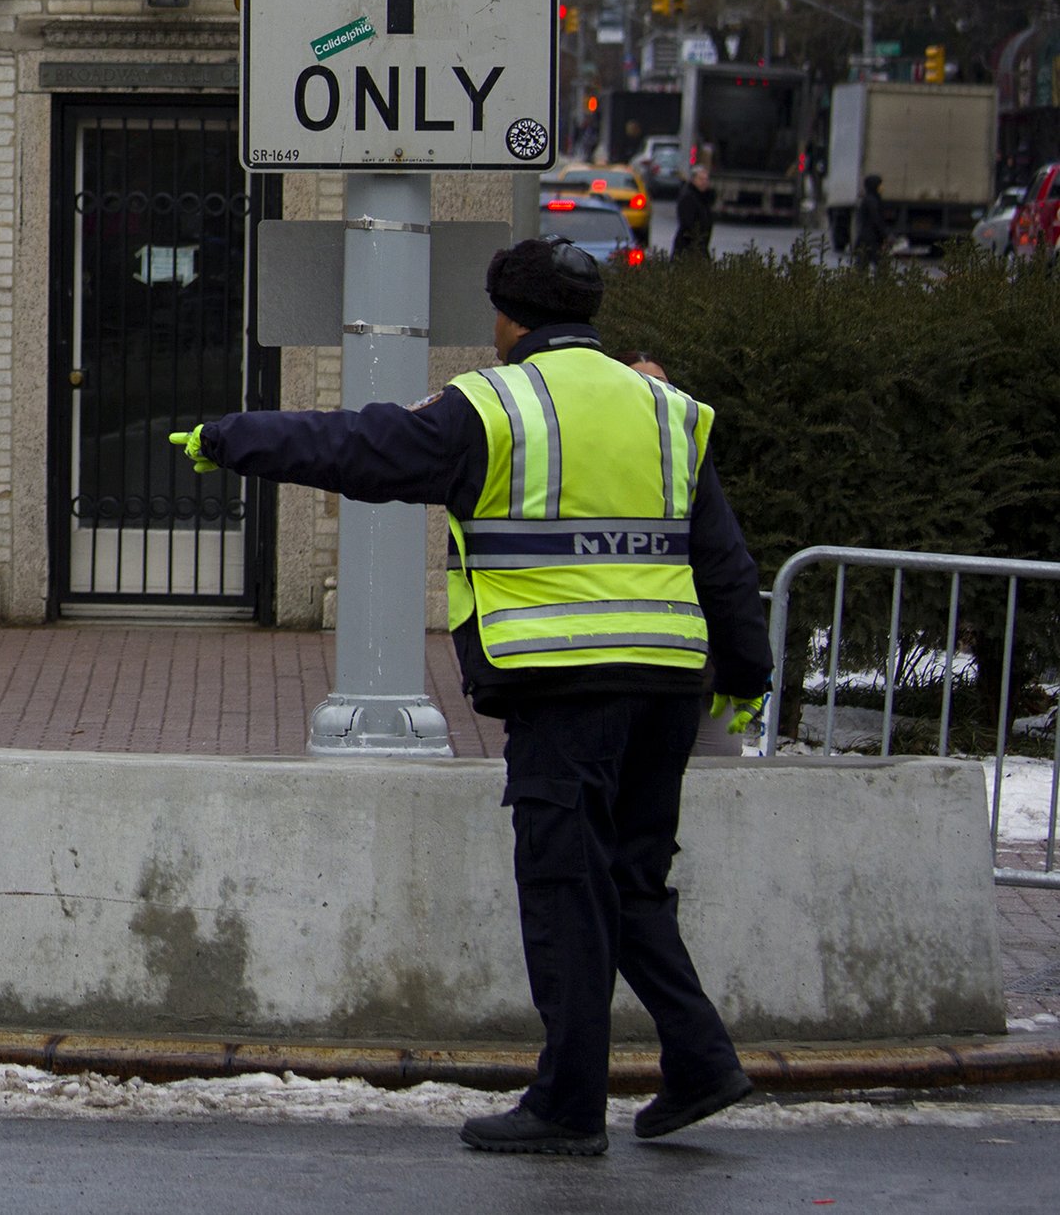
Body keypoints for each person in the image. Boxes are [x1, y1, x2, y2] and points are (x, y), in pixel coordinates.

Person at [170, 237, 773, 1156]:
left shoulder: (496, 405)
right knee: (630, 881)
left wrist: (233, 438)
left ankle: (569, 1106)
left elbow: (359, 445)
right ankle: (698, 1060)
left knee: (567, 885)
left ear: (507, 318)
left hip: (565, 686)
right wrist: (746, 673)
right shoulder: (666, 409)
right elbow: (722, 558)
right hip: (665, 685)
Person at [672, 164, 716, 260]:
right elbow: (687, 224)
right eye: (701, 179)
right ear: (693, 180)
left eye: (706, 179)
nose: (704, 182)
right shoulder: (688, 197)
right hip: (687, 248)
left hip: (700, 247)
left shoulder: (703, 198)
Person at [853, 173, 892, 267]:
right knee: (880, 265)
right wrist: (886, 234)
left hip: (866, 239)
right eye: (880, 185)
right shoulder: (872, 200)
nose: (882, 187)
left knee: (863, 266)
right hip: (871, 239)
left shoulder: (869, 199)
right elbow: (876, 219)